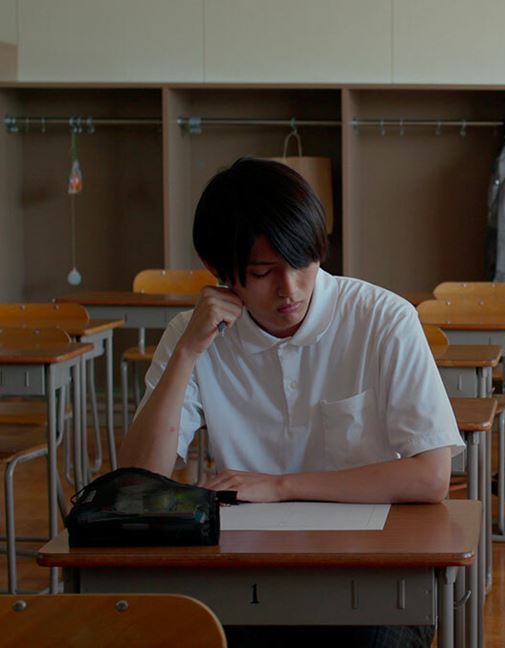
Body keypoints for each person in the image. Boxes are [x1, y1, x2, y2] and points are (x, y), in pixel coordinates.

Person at [119, 157, 461, 647]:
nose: (290, 289)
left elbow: (431, 476)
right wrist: (188, 352)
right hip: (244, 573)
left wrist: (281, 486)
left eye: (302, 262)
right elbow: (137, 480)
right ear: (218, 271)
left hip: (374, 570)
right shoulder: (193, 335)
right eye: (263, 272)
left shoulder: (383, 320)